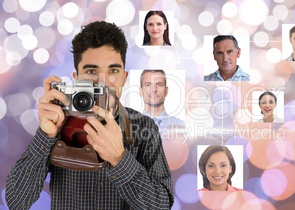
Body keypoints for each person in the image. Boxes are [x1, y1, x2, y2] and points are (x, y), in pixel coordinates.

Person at [6, 21, 174, 209]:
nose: (102, 82)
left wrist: (119, 158)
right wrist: (45, 136)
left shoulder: (143, 127)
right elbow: (16, 201)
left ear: (124, 78)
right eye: (91, 71)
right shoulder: (59, 122)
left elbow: (162, 206)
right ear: (76, 77)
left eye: (113, 70)